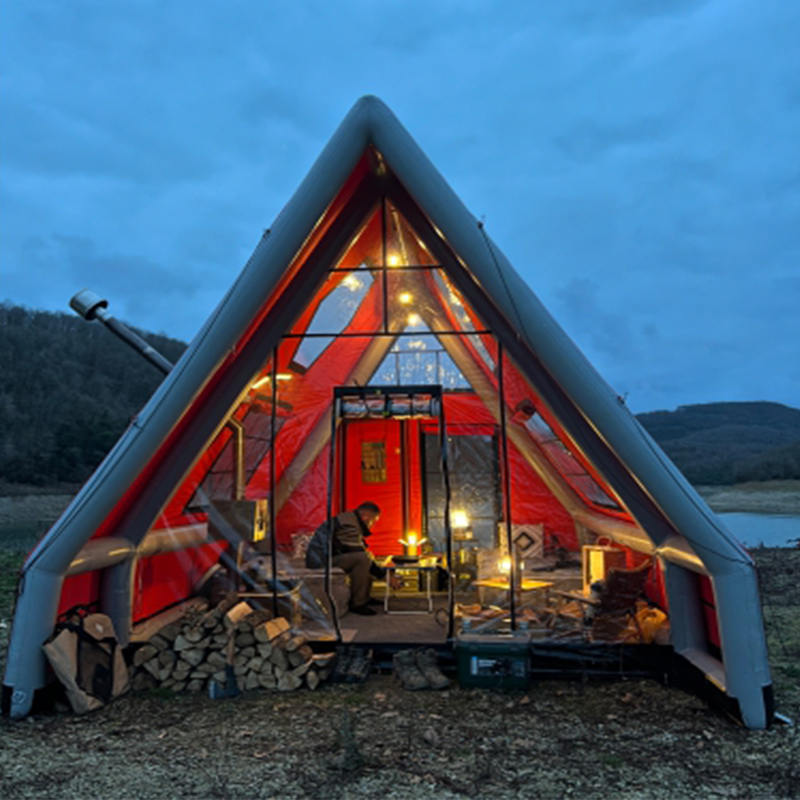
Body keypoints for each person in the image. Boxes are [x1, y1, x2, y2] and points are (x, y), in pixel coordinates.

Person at [306, 501, 401, 616]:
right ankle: (358, 603)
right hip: (320, 561)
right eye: (374, 521)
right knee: (362, 559)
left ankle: (365, 597)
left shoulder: (351, 520)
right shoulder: (348, 523)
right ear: (365, 516)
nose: (373, 525)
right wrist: (386, 577)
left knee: (367, 556)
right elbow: (355, 551)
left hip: (331, 556)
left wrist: (384, 575)